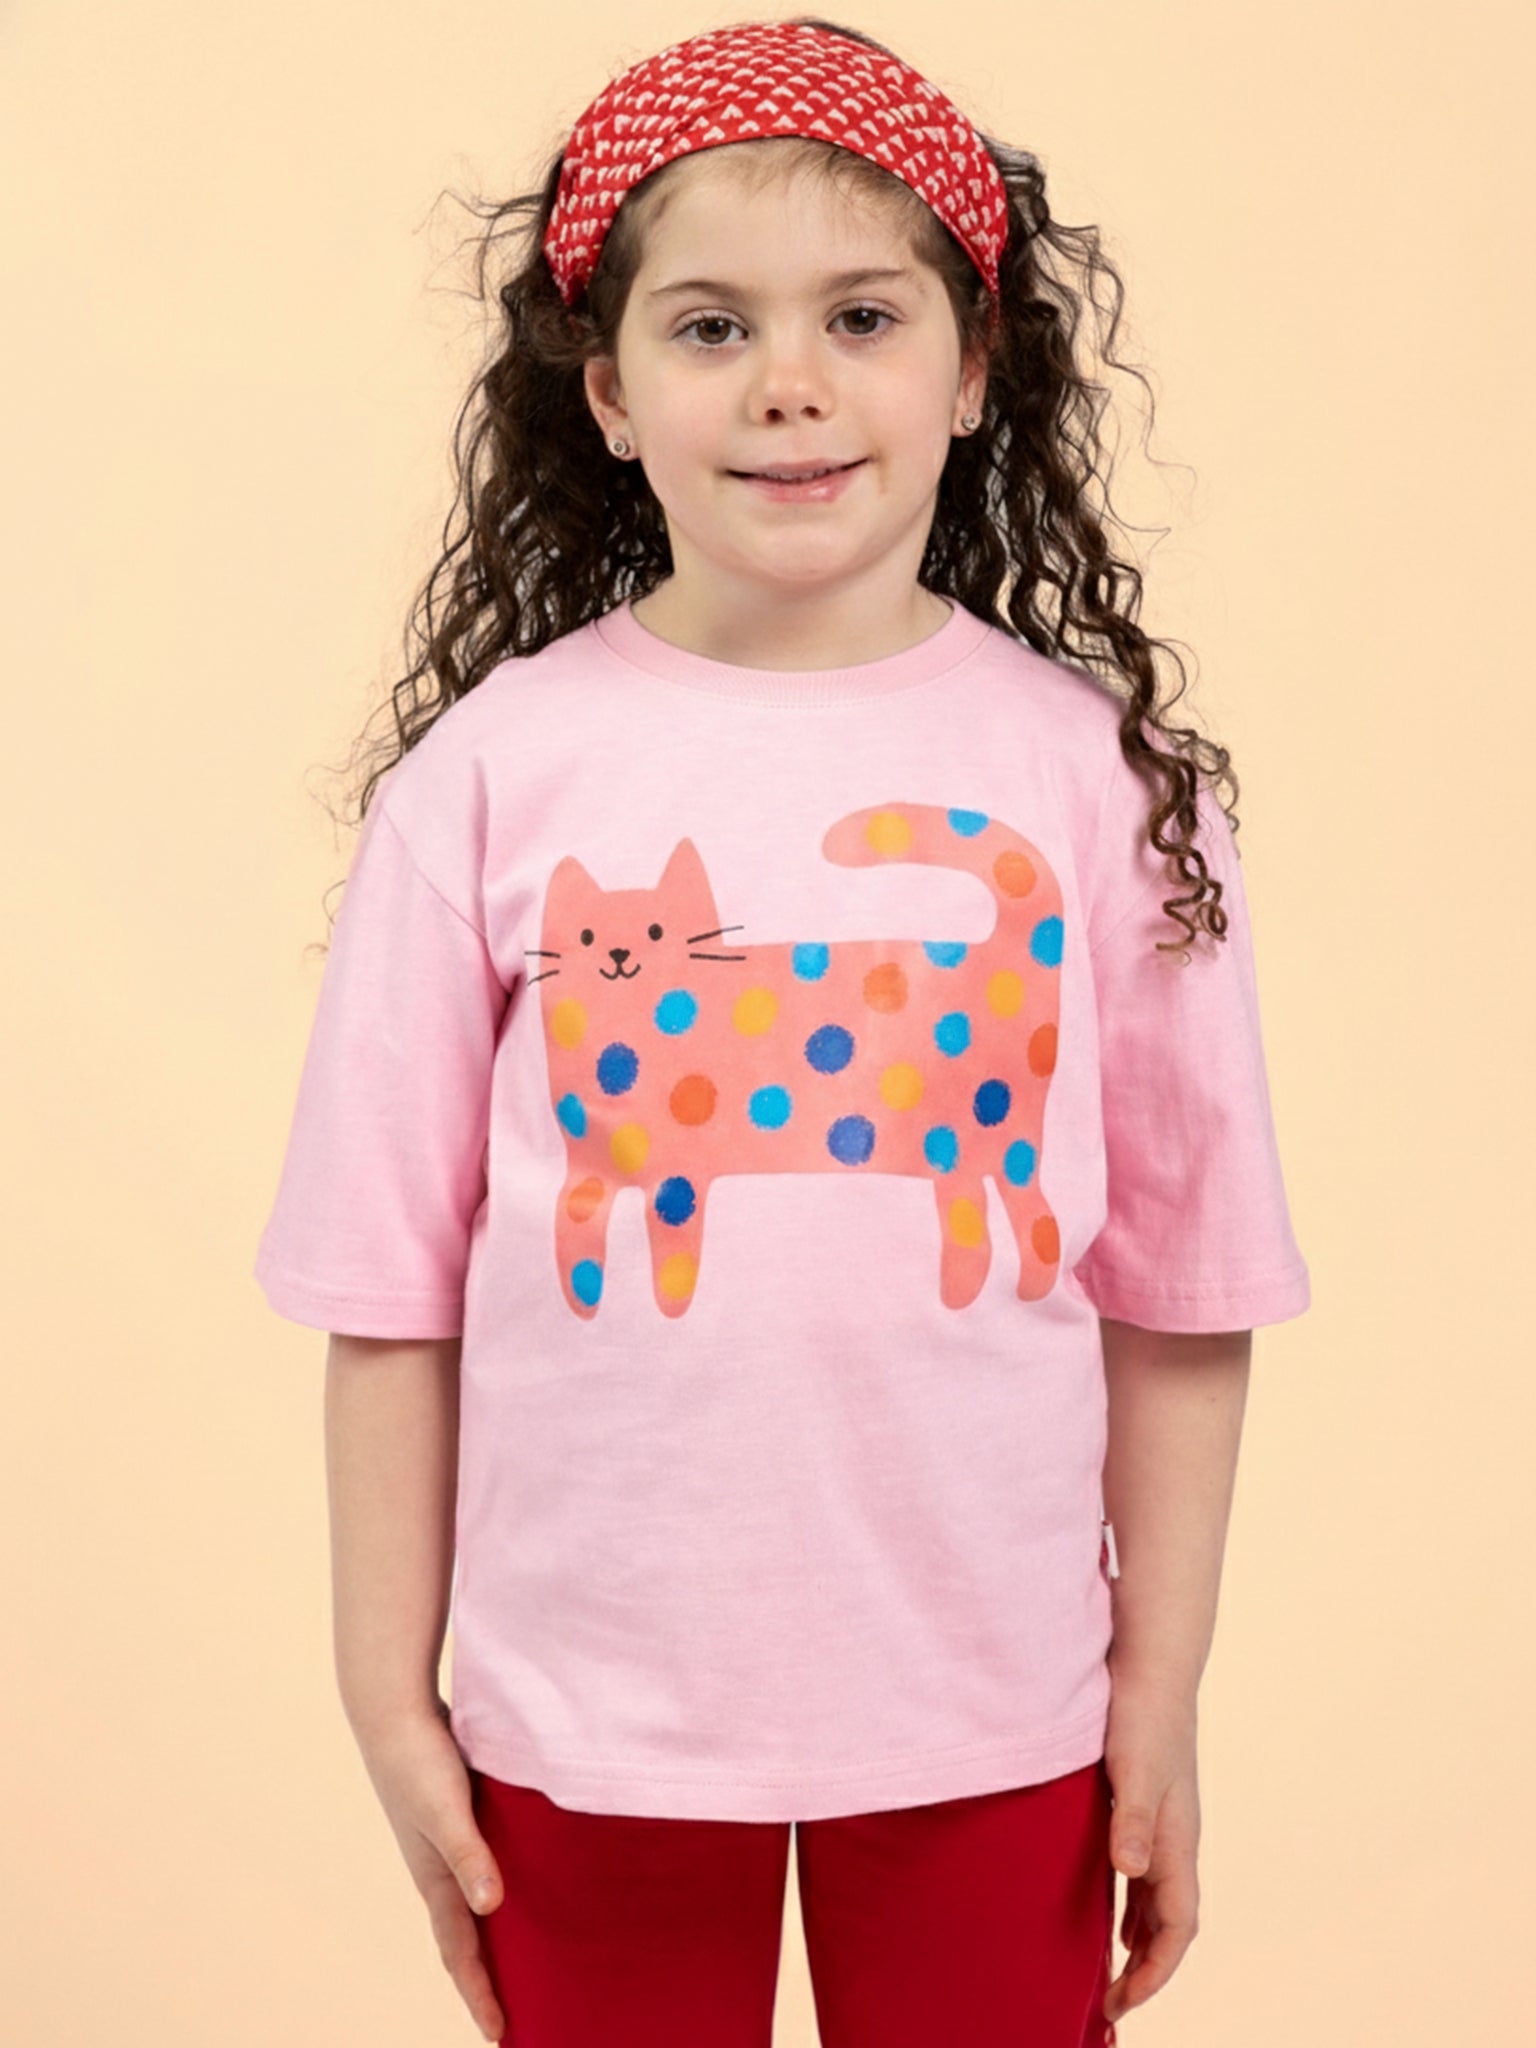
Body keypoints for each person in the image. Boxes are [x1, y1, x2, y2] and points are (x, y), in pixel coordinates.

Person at [254, 16, 1310, 2046]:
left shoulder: (1110, 785)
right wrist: (385, 1692)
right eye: (713, 325)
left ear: (977, 364)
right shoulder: (485, 783)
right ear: (610, 389)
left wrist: (1154, 1691)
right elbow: (385, 1293)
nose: (794, 381)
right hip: (588, 1707)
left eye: (861, 313)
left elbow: (1185, 1294)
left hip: (999, 1690)